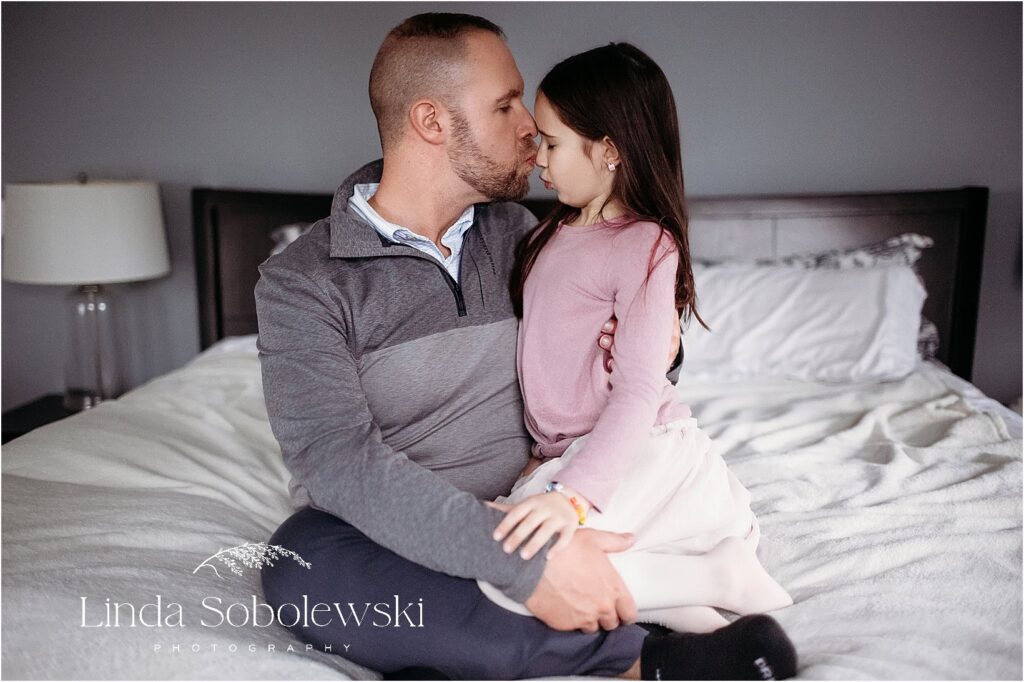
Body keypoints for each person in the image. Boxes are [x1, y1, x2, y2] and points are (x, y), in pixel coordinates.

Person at [256, 12, 797, 680]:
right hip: (403, 528)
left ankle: (478, 646)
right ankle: (633, 655)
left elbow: (627, 351)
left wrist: (656, 348)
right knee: (296, 560)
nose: (529, 131)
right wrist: (517, 561)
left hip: (547, 500)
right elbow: (338, 463)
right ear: (433, 122)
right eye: (506, 105)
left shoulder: (524, 234)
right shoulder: (302, 281)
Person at [474, 43, 794, 636]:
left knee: (512, 578)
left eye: (552, 142)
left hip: (637, 447)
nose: (537, 157)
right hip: (573, 452)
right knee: (494, 552)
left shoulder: (646, 245)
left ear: (610, 151)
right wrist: (541, 463)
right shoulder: (550, 232)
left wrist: (572, 498)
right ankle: (699, 613)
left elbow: (639, 391)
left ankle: (715, 578)